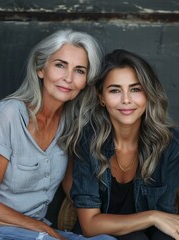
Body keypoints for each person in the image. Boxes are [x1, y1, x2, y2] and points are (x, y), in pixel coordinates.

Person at [0, 29, 116, 240]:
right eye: (60, 65)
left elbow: (72, 186)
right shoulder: (9, 114)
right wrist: (43, 229)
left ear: (85, 81)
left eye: (80, 70)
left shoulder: (71, 123)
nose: (68, 78)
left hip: (39, 232)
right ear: (40, 69)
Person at [65, 49, 179, 240]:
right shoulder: (88, 142)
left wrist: (157, 218)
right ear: (101, 97)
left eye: (135, 89)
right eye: (115, 90)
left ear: (148, 94)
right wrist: (152, 216)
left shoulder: (169, 144)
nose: (126, 100)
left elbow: (165, 219)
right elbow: (89, 225)